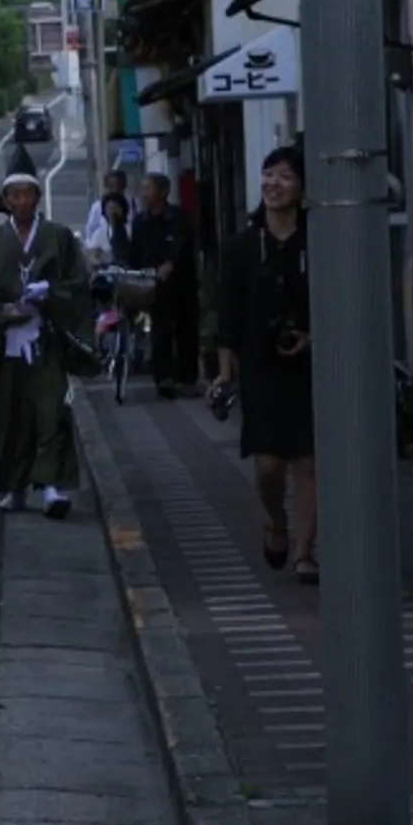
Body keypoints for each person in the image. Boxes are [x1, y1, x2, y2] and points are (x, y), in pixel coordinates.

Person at [0, 166, 93, 520]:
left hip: (45, 336)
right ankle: (16, 487)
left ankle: (52, 486)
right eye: (14, 195)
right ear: (5, 200)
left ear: (37, 197)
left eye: (27, 194)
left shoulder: (59, 236)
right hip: (7, 341)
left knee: (51, 410)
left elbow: (79, 284)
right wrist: (1, 312)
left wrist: (51, 294)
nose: (21, 201)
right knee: (11, 416)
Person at [214, 145, 318, 581]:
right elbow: (228, 313)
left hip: (310, 365)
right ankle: (276, 521)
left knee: (308, 461)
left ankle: (304, 551)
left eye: (285, 177)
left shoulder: (317, 238)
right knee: (269, 465)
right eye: (268, 175)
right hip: (259, 366)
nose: (274, 184)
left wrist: (312, 336)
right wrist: (223, 372)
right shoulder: (242, 244)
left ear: (302, 188)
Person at [130, 171, 199, 396]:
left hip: (182, 284)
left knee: (186, 330)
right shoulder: (141, 221)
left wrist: (171, 263)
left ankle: (187, 378)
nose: (144, 194)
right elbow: (134, 252)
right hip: (154, 286)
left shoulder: (178, 217)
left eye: (148, 188)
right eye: (143, 188)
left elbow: (183, 246)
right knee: (159, 331)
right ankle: (163, 378)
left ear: (163, 191)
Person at [81, 167, 129, 264]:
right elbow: (90, 229)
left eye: (118, 186)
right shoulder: (97, 207)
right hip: (103, 253)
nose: (115, 190)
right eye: (111, 186)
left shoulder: (133, 204)